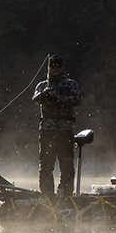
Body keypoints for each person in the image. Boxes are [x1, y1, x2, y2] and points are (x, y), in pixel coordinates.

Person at [32, 54, 81, 197]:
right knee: (46, 164)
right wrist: (44, 95)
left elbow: (76, 100)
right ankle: (47, 194)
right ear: (48, 68)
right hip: (47, 131)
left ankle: (65, 193)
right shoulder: (42, 85)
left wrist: (59, 99)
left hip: (65, 131)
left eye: (57, 66)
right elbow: (35, 99)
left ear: (62, 68)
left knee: (66, 165)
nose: (55, 69)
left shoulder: (71, 84)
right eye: (52, 66)